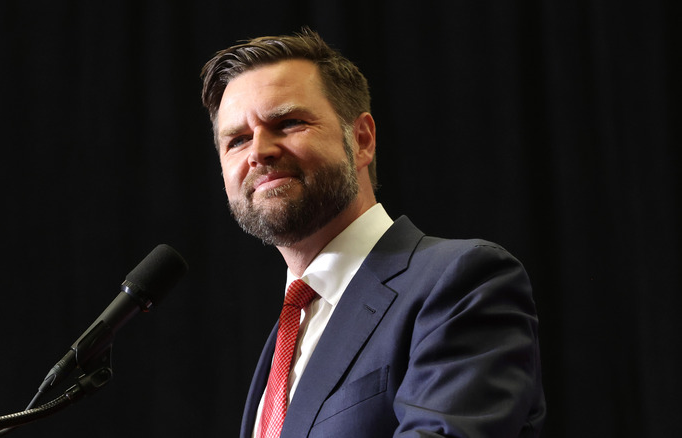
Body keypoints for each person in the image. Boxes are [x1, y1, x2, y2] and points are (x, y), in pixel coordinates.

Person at [200, 28, 546, 438]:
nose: (258, 151)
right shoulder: (286, 335)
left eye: (288, 123)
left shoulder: (462, 282)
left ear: (361, 140)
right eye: (237, 140)